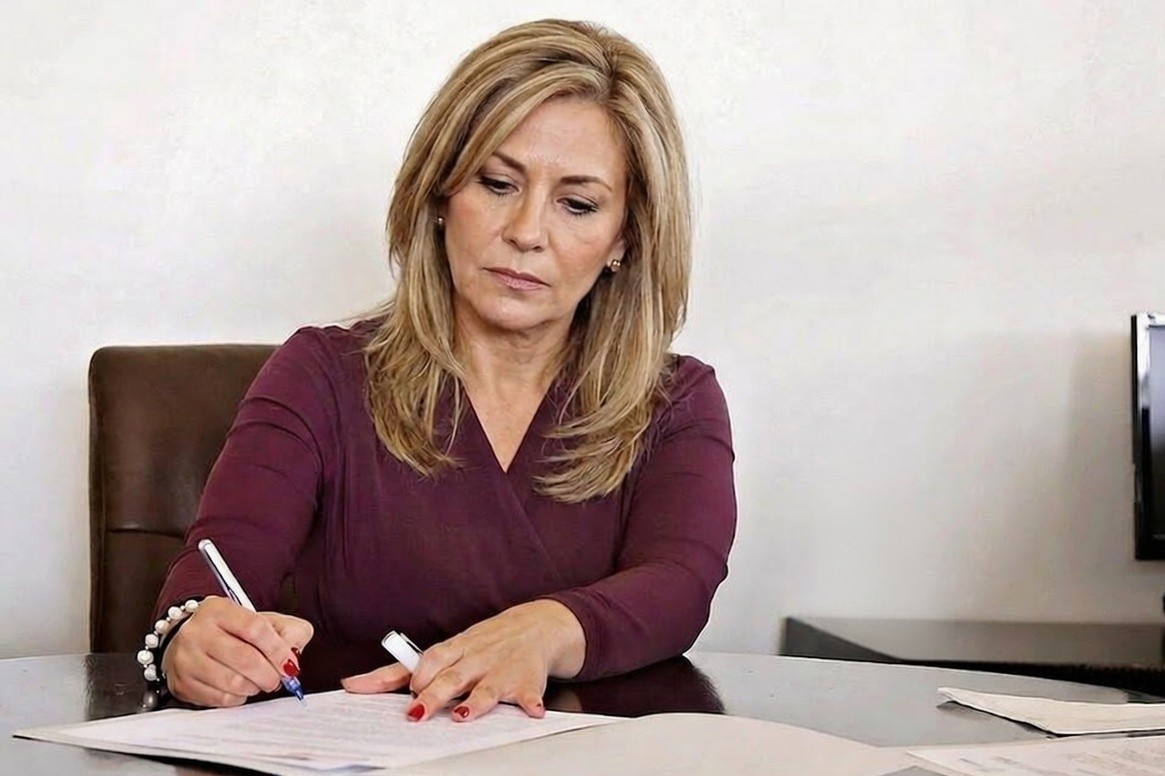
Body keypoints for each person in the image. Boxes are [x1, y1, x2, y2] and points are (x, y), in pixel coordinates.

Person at [144, 18, 736, 723]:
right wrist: (192, 638)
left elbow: (680, 583)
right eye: (497, 183)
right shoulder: (319, 375)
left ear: (624, 238)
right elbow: (218, 569)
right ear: (439, 195)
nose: (525, 232)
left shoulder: (676, 401)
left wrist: (544, 629)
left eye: (577, 204)